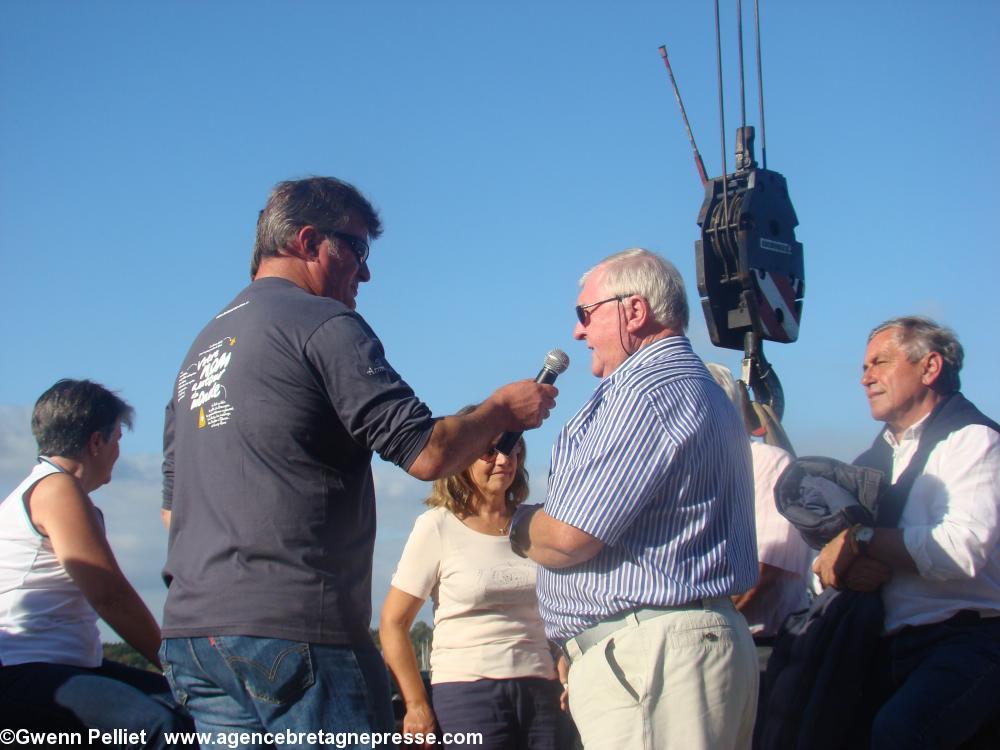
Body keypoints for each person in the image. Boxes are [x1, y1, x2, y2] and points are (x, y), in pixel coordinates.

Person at [160, 176, 556, 749]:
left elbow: (175, 515)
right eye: (358, 249)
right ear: (308, 241)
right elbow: (427, 453)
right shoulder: (322, 323)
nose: (366, 273)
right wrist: (499, 410)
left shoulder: (198, 354)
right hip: (299, 635)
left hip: (194, 639)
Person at [509, 248, 759, 750]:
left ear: (635, 311)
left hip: (657, 657)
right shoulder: (693, 385)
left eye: (585, 314)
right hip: (668, 653)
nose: (578, 333)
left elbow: (569, 539)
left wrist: (514, 522)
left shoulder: (648, 389)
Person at [812, 316, 1000, 749]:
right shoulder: (869, 462)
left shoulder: (974, 442)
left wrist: (859, 542)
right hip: (883, 642)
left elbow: (959, 549)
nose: (865, 378)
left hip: (966, 640)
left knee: (900, 733)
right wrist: (837, 572)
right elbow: (822, 563)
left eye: (879, 362)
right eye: (863, 367)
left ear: (930, 367)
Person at [0, 379, 191, 746]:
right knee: (156, 728)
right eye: (118, 439)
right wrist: (174, 663)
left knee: (190, 710)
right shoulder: (56, 490)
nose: (118, 451)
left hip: (66, 666)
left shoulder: (45, 489)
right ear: (97, 442)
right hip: (26, 669)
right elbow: (109, 595)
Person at [380, 408, 562, 750]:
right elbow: (392, 623)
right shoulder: (437, 526)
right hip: (468, 695)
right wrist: (416, 705)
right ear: (463, 456)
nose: (503, 459)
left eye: (512, 448)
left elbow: (566, 609)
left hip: (543, 692)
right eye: (489, 451)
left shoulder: (539, 523)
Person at [705, 363, 812, 643]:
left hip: (762, 647)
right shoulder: (697, 473)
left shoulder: (766, 462)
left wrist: (706, 632)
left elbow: (764, 569)